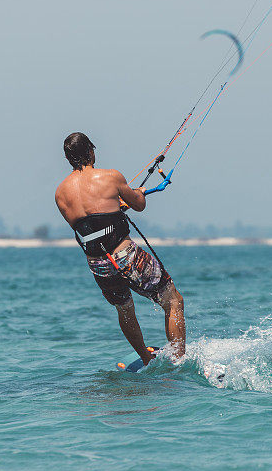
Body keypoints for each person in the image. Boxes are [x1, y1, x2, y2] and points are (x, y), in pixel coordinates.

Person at [54, 132, 185, 365]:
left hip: (98, 264)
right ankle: (179, 361)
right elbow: (139, 206)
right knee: (173, 300)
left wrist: (114, 208)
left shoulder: (60, 193)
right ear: (91, 151)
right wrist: (139, 194)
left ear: (68, 159)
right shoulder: (111, 177)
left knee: (125, 310)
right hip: (126, 254)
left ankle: (146, 359)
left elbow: (90, 223)